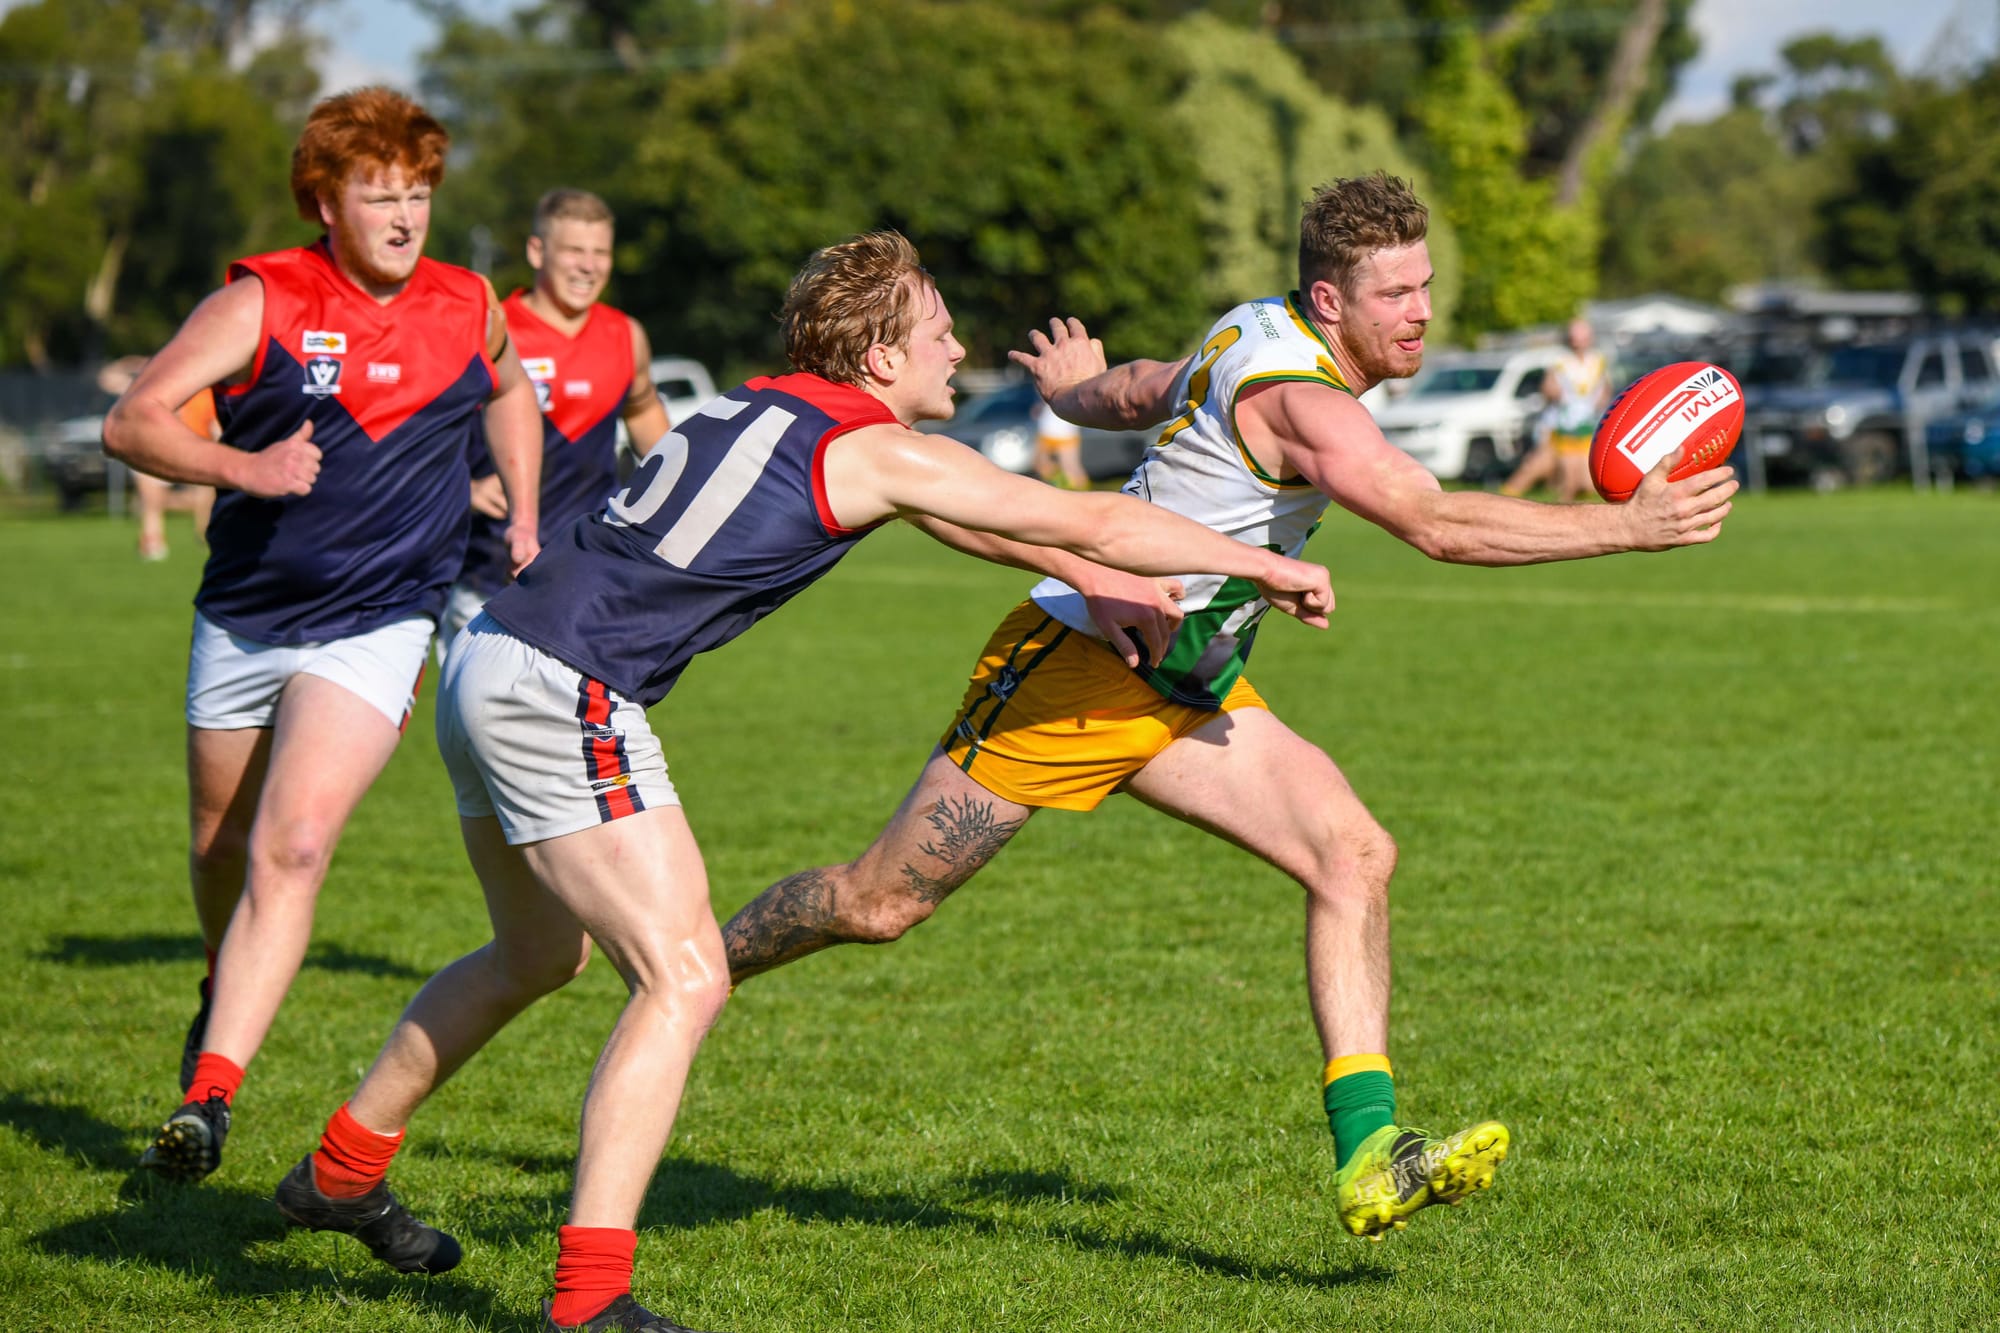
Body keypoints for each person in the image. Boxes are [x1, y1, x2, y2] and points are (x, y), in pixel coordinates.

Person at [268, 230, 1331, 1333]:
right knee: (684, 978)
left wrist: (1078, 575)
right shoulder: (871, 447)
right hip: (563, 687)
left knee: (535, 955)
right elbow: (1086, 512)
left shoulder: (770, 405)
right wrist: (1262, 562)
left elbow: (954, 511)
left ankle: (340, 1170)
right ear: (880, 357)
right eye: (936, 331)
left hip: (492, 657)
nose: (955, 347)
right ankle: (587, 1300)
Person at [720, 173, 1738, 1243]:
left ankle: (1369, 1156)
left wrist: (1073, 390)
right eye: (1394, 294)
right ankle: (701, 961)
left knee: (1352, 854)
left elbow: (1146, 391)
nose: (1421, 312)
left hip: (1186, 676)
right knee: (879, 903)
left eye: (1424, 285)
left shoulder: (1252, 326)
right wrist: (1627, 528)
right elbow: (1432, 521)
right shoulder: (1305, 402)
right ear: (1330, 301)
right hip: (1078, 672)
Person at [101, 87, 543, 1183]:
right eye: (378, 196)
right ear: (325, 201)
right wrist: (242, 467)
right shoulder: (263, 298)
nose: (404, 217)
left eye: (418, 195)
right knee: (220, 845)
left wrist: (525, 511)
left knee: (293, 845)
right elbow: (133, 420)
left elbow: (510, 391)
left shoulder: (468, 302)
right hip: (245, 615)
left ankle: (209, 1095)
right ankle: (222, 978)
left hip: (382, 620)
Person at [440, 188, 671, 661]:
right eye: (573, 251)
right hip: (490, 575)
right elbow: (425, 425)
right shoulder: (493, 328)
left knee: (580, 705)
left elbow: (644, 413)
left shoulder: (625, 335)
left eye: (600, 252)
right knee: (481, 706)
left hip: (591, 571)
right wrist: (462, 486)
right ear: (536, 251)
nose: (588, 266)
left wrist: (682, 482)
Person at [97, 355, 219, 559]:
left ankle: (204, 532)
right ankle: (153, 542)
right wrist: (133, 363)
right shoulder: (141, 387)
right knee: (151, 500)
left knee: (203, 495)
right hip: (149, 448)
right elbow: (107, 378)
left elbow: (211, 423)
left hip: (185, 447)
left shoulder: (196, 390)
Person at [1502, 317, 1610, 502]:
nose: (1578, 342)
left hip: (1585, 427)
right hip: (1559, 426)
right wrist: (1554, 393)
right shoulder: (1560, 360)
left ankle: (1563, 497)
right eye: (1575, 337)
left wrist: (1600, 403)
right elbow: (1548, 389)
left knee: (1586, 482)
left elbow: (1604, 389)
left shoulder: (1597, 361)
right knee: (1538, 467)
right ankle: (1506, 497)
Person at [1031, 394, 1088, 489]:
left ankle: (1082, 492)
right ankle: (1059, 484)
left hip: (1065, 434)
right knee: (1039, 464)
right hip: (1046, 431)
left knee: (1071, 467)